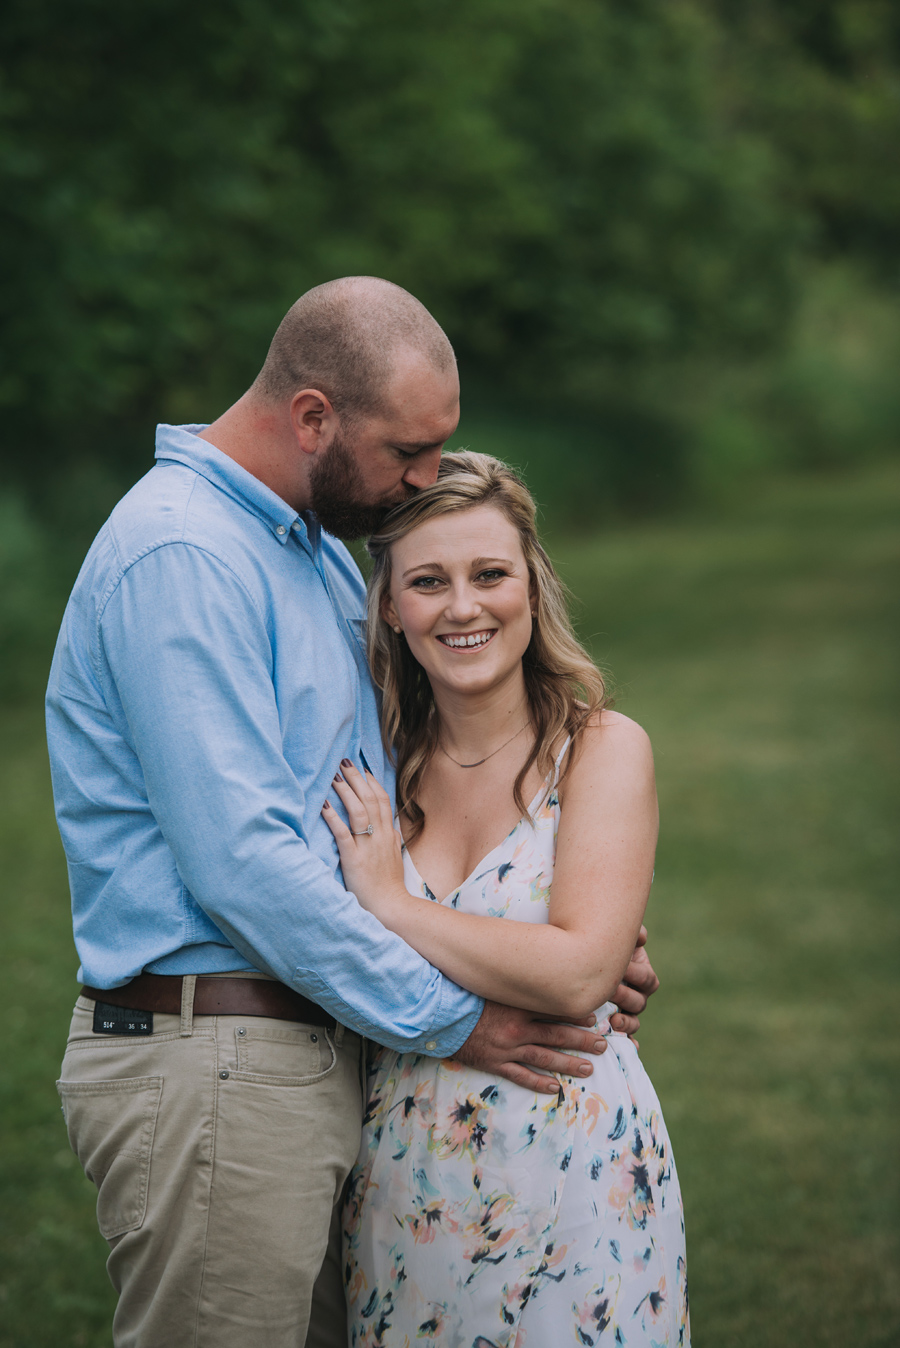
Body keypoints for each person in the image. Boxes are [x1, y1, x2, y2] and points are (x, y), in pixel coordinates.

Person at [46, 278, 660, 1348]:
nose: (422, 481)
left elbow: (371, 816)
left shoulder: (312, 550)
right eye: (408, 454)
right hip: (217, 1056)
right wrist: (463, 1013)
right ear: (315, 416)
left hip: (328, 1053)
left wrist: (555, 946)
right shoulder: (185, 553)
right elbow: (246, 867)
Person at [322, 451, 689, 1347]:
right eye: (427, 581)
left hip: (573, 1161)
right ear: (391, 608)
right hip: (406, 1170)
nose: (462, 606)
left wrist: (394, 906)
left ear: (533, 585)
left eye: (490, 574)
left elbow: (576, 976)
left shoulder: (600, 748)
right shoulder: (375, 767)